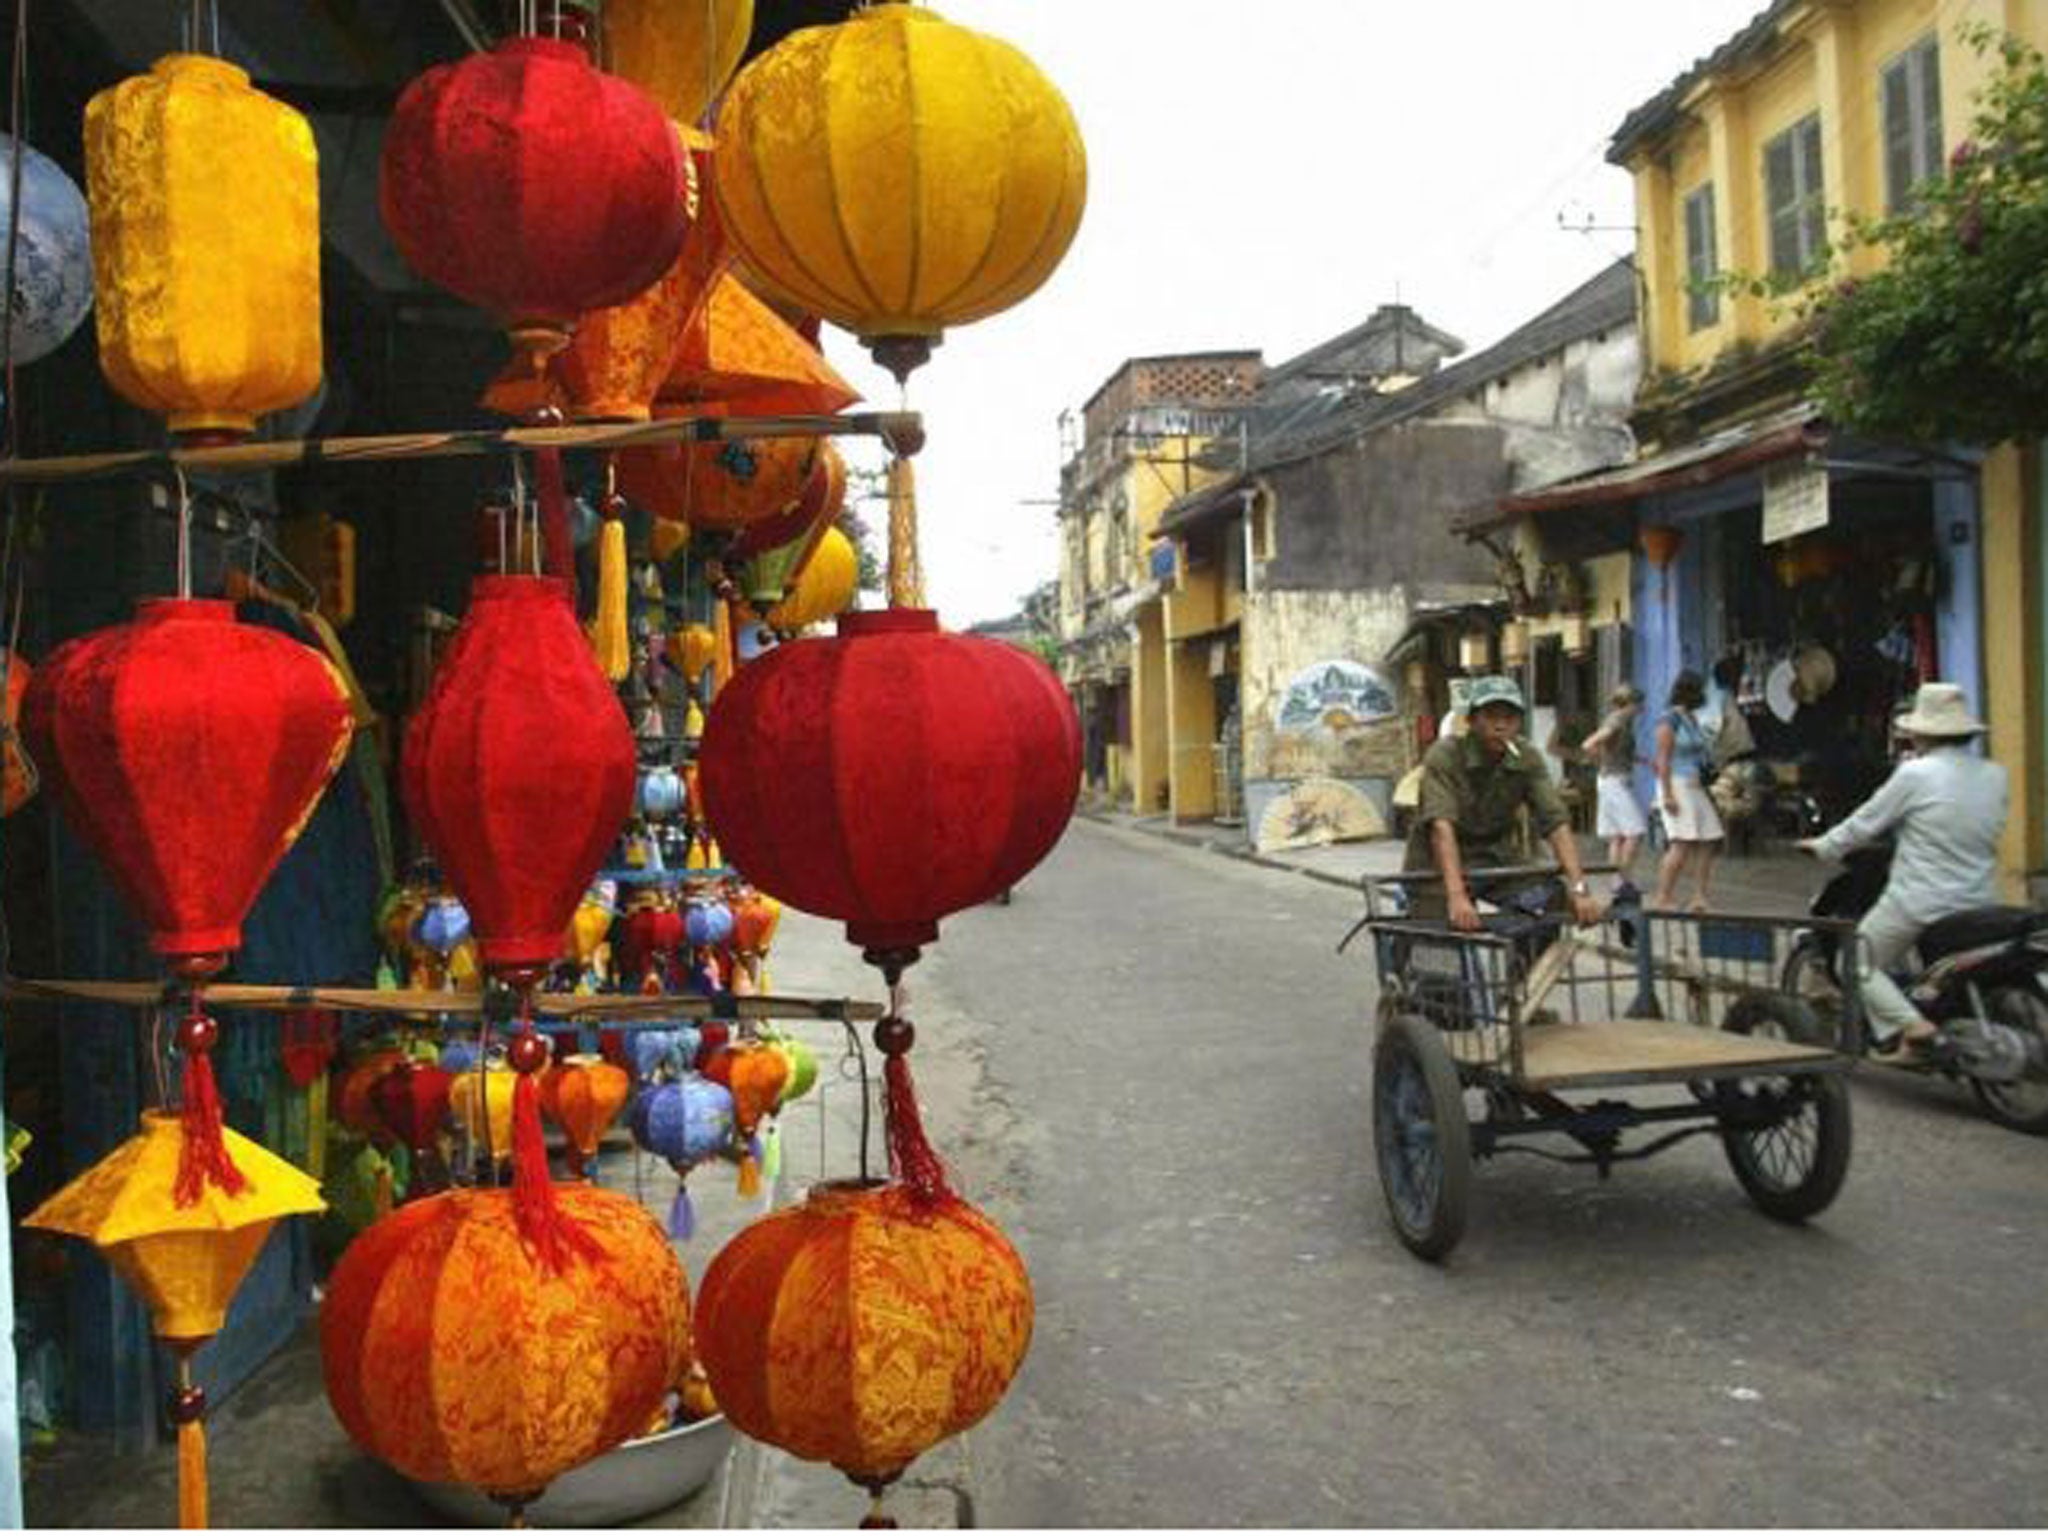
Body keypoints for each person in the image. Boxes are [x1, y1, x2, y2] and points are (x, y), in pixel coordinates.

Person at [1797, 682, 2008, 1057]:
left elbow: (1866, 822)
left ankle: (1914, 1028)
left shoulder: (1916, 774)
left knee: (1855, 960)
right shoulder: (1995, 775)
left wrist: (1824, 846)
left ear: (1921, 733)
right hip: (1978, 899)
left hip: (1920, 899)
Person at [1404, 674, 1602, 933]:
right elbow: (1442, 828)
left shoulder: (1525, 757)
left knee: (1547, 899)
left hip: (1493, 860)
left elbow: (1556, 822)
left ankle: (1525, 972)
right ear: (1472, 721)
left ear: (1519, 723)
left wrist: (1579, 889)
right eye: (1491, 717)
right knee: (1442, 940)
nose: (1500, 726)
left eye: (1509, 718)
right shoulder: (1445, 756)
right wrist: (1457, 896)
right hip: (1436, 867)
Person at [1652, 669, 1723, 911]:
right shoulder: (1669, 719)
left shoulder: (1692, 718)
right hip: (1677, 783)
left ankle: (1699, 896)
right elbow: (1663, 759)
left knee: (1708, 839)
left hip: (1695, 784)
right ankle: (1663, 896)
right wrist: (1667, 794)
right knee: (1681, 843)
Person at [1580, 684, 1647, 891]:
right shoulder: (1617, 720)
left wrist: (1643, 760)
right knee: (1635, 831)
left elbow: (1617, 750)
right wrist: (1599, 758)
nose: (1641, 709)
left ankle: (1617, 881)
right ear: (1631, 704)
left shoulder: (1621, 722)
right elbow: (1590, 743)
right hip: (1614, 780)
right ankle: (1624, 878)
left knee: (1617, 835)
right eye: (1639, 705)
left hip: (1611, 778)